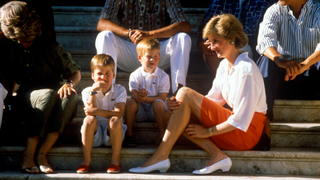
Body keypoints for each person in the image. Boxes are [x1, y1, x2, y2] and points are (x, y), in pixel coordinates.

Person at [129, 14, 267, 174]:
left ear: (232, 38)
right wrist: (179, 106)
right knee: (172, 113)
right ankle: (217, 155)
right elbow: (212, 101)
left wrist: (207, 131)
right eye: (210, 41)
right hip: (233, 124)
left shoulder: (246, 70)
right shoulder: (224, 65)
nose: (211, 46)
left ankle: (160, 155)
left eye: (216, 41)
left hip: (246, 133)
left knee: (185, 93)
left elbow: (241, 120)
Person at [0, 1, 81, 174]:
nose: (25, 43)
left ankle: (42, 153)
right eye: (21, 40)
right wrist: (6, 100)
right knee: (48, 94)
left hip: (53, 94)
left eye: (28, 39)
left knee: (71, 96)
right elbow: (6, 77)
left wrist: (69, 84)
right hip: (25, 98)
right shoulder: (8, 46)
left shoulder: (50, 47)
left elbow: (75, 73)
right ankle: (28, 154)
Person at [256, 0, 320, 146]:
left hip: (313, 79)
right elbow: (264, 40)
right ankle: (264, 128)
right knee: (266, 61)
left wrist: (305, 64)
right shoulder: (274, 10)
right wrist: (280, 60)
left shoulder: (318, 10)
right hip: (283, 80)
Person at [95, 0, 191, 95]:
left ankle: (179, 94)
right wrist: (129, 33)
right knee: (104, 36)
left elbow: (185, 25)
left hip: (156, 54)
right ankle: (105, 91)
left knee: (183, 37)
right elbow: (102, 23)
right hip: (129, 53)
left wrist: (149, 34)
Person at [77, 54, 127, 174]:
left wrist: (97, 111)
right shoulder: (86, 91)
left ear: (113, 75)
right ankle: (86, 160)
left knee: (115, 120)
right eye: (99, 74)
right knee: (88, 120)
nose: (103, 77)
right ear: (93, 76)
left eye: (107, 74)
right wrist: (93, 91)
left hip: (114, 133)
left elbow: (119, 113)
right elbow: (91, 113)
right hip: (95, 133)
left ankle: (115, 161)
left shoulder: (120, 89)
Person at [197, 0, 275, 76]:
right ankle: (224, 84)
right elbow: (205, 27)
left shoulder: (264, 1)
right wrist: (203, 42)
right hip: (228, 40)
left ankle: (232, 82)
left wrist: (223, 39)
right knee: (211, 48)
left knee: (231, 47)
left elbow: (251, 32)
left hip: (251, 46)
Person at [124, 38, 170, 147]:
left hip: (155, 111)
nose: (152, 60)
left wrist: (146, 99)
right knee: (130, 103)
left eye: (155, 57)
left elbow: (162, 98)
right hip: (141, 111)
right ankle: (128, 135)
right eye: (149, 56)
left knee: (159, 103)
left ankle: (163, 137)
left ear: (159, 58)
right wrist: (139, 97)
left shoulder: (163, 76)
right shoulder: (135, 75)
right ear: (140, 58)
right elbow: (133, 94)